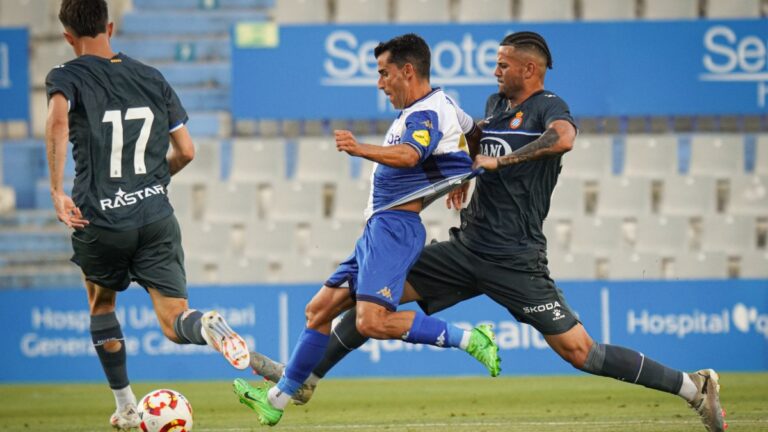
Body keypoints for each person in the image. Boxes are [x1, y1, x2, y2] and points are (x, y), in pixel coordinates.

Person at [246, 31, 727, 432]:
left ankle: (692, 385)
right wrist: (459, 176)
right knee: (373, 299)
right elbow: (472, 139)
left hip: (515, 258)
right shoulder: (496, 104)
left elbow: (564, 140)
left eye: (504, 64)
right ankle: (306, 380)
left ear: (530, 69)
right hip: (467, 247)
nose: (496, 71)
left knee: (580, 351)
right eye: (496, 64)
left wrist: (503, 161)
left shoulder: (549, 107)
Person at [231, 33, 500, 427]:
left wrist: (360, 149)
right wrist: (462, 175)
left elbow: (410, 155)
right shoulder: (443, 106)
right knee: (318, 310)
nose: (379, 83)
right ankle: (276, 400)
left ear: (407, 71)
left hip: (396, 227)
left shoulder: (424, 114)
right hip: (378, 230)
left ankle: (472, 339)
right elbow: (473, 133)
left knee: (371, 321)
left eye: (383, 73)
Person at [45, 1, 250, 429]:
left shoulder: (65, 76)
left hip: (100, 219)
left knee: (102, 305)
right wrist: (152, 183)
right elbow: (188, 151)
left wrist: (56, 190)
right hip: (156, 216)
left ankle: (124, 405)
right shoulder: (152, 77)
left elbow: (58, 122)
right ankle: (206, 324)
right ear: (111, 27)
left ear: (68, 36)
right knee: (175, 321)